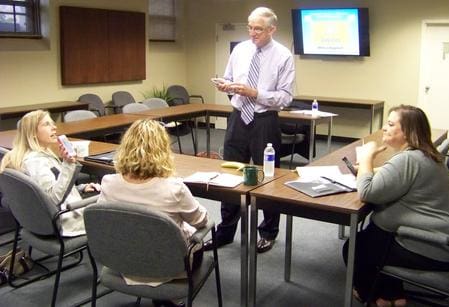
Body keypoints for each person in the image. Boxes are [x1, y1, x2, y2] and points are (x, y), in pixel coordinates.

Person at [343, 105, 449, 307]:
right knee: (374, 234)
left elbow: (367, 192)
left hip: (441, 246)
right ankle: (393, 296)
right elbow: (399, 176)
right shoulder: (425, 154)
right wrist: (370, 169)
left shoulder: (408, 160)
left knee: (355, 247)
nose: (384, 127)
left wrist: (366, 158)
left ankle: (377, 298)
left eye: (391, 124)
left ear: (409, 132)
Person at [208, 7, 295, 253]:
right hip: (238, 118)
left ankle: (268, 232)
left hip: (265, 121)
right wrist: (226, 86)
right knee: (229, 176)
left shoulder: (283, 56)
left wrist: (255, 93)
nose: (252, 32)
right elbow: (228, 78)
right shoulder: (240, 49)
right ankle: (225, 231)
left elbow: (286, 97)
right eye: (250, 27)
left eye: (258, 28)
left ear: (271, 29)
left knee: (268, 178)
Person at [97, 119, 209, 291]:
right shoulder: (174, 188)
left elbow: (102, 221)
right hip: (170, 267)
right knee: (196, 234)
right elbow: (201, 221)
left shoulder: (108, 183)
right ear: (163, 149)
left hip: (124, 261)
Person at [0, 110, 100, 237]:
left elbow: (45, 190)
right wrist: (68, 164)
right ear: (33, 133)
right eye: (47, 124)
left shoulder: (28, 155)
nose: (54, 127)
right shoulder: (36, 162)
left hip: (38, 220)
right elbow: (53, 199)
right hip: (64, 221)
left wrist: (80, 188)